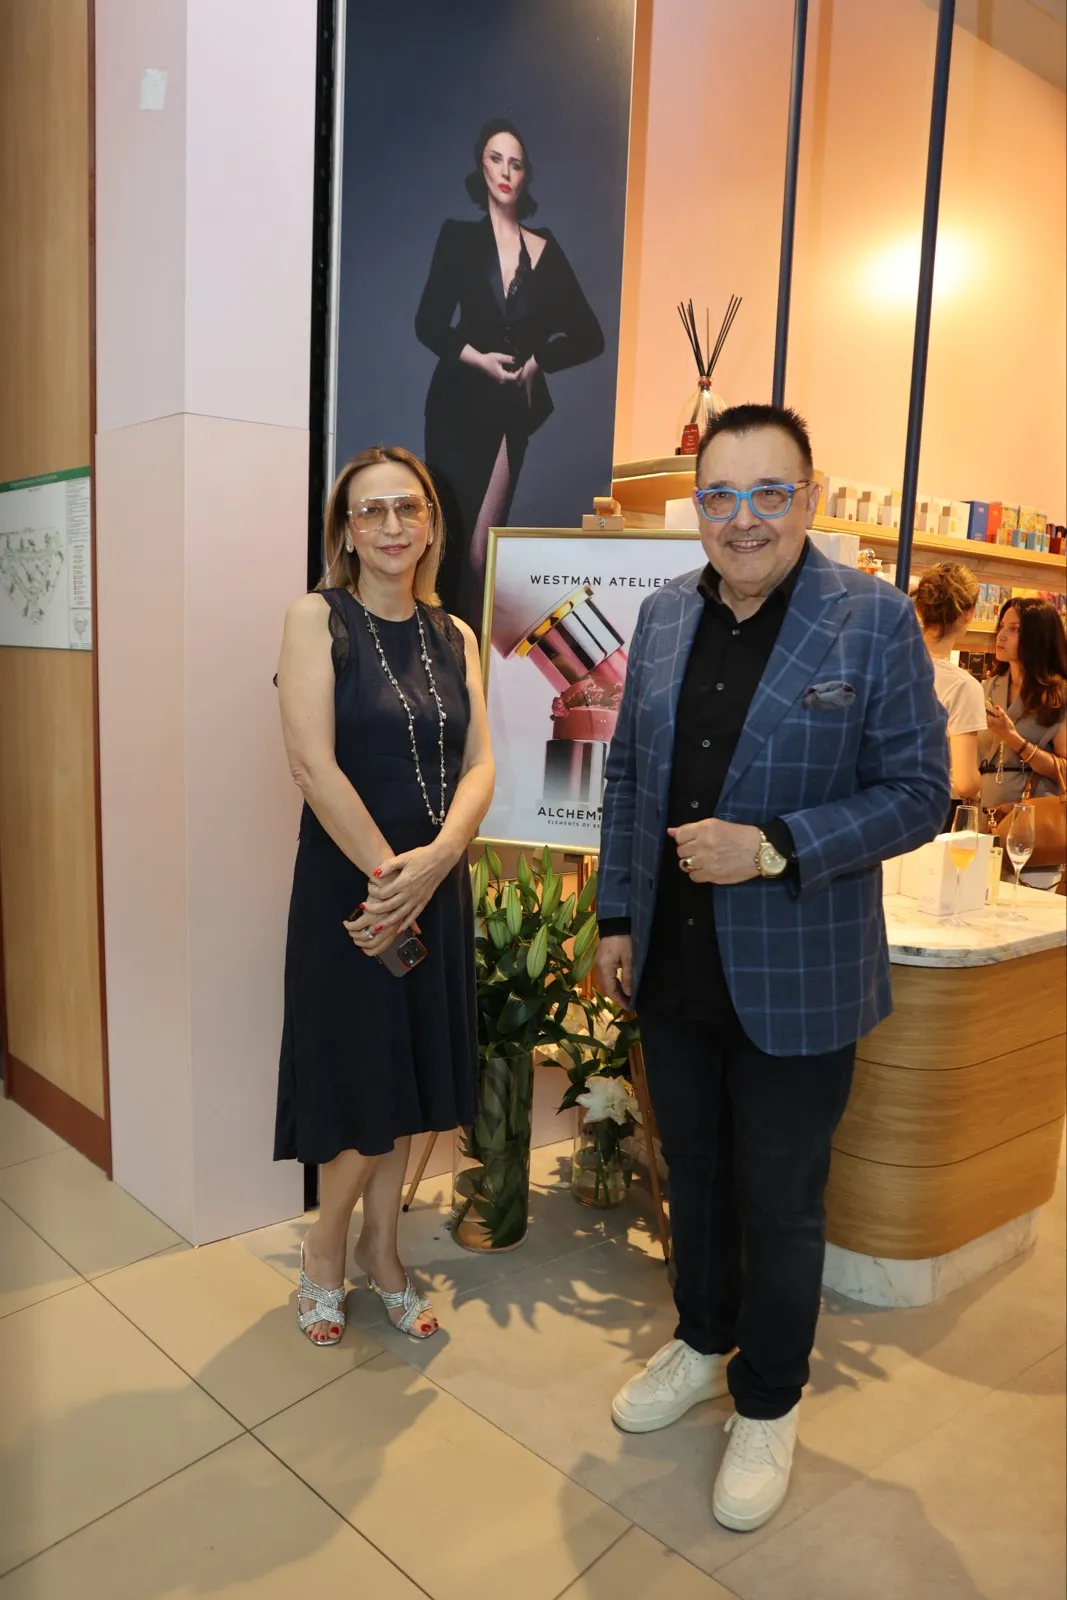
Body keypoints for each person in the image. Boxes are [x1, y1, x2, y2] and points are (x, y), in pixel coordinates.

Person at [594, 403, 949, 1533]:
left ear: (809, 498)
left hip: (799, 971)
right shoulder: (660, 616)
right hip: (672, 964)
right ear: (694, 506)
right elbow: (627, 778)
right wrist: (616, 914)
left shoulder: (871, 620)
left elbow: (918, 794)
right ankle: (702, 1340)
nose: (740, 518)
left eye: (766, 493)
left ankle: (767, 1398)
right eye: (718, 495)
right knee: (691, 1170)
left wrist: (776, 846)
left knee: (781, 1199)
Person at [274, 445, 495, 1345]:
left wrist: (438, 860)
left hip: (433, 884)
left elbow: (480, 765)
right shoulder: (314, 619)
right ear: (346, 532)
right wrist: (391, 881)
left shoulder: (456, 636)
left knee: (407, 1076)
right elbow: (311, 765)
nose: (392, 526)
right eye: (371, 511)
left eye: (408, 507)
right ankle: (326, 1249)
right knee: (361, 1078)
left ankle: (383, 1249)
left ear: (432, 523)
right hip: (353, 892)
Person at [416, 117, 604, 632]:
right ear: (482, 167)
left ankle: (471, 666)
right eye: (496, 159)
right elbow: (428, 323)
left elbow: (590, 336)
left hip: (507, 414)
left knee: (481, 554)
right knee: (447, 551)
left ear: (525, 176)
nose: (505, 171)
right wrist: (477, 358)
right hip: (455, 408)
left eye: (516, 164)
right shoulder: (458, 238)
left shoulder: (545, 249)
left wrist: (538, 361)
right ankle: (448, 665)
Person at [979, 596, 1066, 890]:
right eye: (1002, 626)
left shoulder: (1057, 696)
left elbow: (1064, 769)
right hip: (985, 821)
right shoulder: (987, 688)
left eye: (1014, 629)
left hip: (1033, 829)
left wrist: (1015, 740)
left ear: (1038, 637)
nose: (1001, 636)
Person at [913, 563, 985, 811]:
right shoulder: (963, 686)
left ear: (920, 608)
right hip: (935, 810)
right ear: (969, 613)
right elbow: (965, 783)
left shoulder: (888, 662)